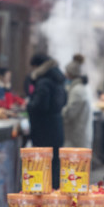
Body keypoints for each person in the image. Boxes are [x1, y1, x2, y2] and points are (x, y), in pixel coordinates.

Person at [25, 53, 67, 189]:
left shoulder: (44, 82)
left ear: (37, 66)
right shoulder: (58, 79)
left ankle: (46, 197)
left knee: (43, 164)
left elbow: (40, 105)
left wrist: (28, 105)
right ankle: (55, 196)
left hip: (44, 129)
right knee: (54, 163)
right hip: (57, 126)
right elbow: (64, 101)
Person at [62, 56, 92, 149]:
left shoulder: (76, 91)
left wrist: (61, 111)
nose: (65, 75)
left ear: (71, 75)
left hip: (76, 138)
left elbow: (69, 114)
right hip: (80, 136)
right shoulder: (82, 88)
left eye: (67, 73)